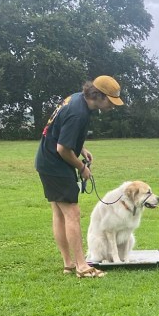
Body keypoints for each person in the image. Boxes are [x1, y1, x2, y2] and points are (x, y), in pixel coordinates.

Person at [35, 76, 124, 277]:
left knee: (59, 214)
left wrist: (81, 148)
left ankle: (69, 264)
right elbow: (63, 149)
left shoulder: (76, 99)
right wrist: (82, 168)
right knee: (72, 214)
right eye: (111, 100)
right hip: (55, 165)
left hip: (46, 162)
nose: (113, 106)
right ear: (99, 96)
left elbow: (61, 131)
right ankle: (82, 266)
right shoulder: (78, 113)